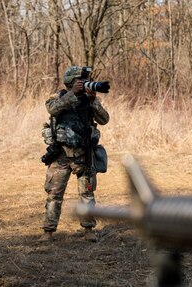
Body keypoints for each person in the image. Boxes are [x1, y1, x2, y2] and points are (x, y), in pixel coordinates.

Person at [40, 66, 110, 242]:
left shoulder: (88, 100)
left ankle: (88, 230)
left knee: (87, 194)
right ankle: (48, 231)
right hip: (61, 154)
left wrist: (93, 100)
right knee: (54, 194)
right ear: (71, 82)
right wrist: (72, 94)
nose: (83, 84)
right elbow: (53, 110)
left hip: (83, 154)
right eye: (80, 81)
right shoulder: (58, 97)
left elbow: (104, 119)